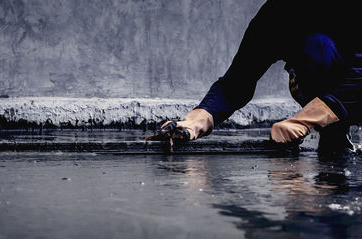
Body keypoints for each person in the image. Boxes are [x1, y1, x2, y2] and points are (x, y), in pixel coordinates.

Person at [146, 0, 362, 153]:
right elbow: (238, 81)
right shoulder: (276, 15)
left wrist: (305, 120)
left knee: (320, 48)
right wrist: (197, 120)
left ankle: (332, 127)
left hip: (353, 88)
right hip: (327, 90)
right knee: (316, 50)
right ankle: (334, 132)